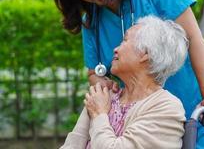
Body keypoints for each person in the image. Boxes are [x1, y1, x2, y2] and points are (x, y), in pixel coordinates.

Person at [50, 0, 204, 148]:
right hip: (138, 125)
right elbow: (95, 72)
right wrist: (104, 87)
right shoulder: (91, 20)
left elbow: (194, 39)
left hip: (191, 110)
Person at [60, 16, 188, 149]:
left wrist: (99, 114)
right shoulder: (105, 96)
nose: (116, 49)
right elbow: (73, 143)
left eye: (124, 41)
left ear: (146, 54)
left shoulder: (167, 108)